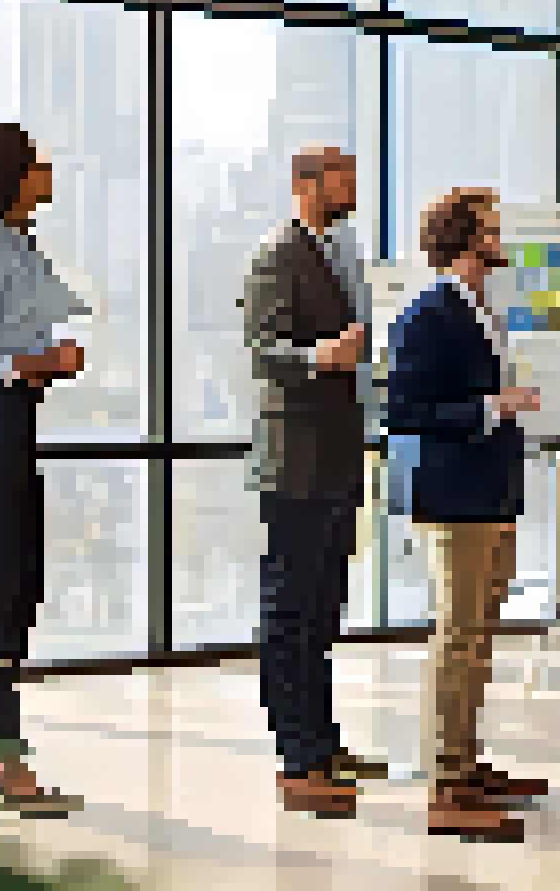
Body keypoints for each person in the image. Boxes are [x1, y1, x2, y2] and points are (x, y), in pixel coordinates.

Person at [385, 188, 551, 840]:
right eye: (491, 228)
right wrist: (492, 406)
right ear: (465, 238)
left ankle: (467, 764)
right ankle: (447, 786)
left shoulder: (485, 309)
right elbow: (404, 411)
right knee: (457, 639)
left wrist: (500, 407)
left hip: (491, 496)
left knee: (478, 638)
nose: (499, 236)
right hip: (454, 500)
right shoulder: (429, 313)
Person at [0, 122, 88, 817]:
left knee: (17, 586)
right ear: (12, 176)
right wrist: (38, 364)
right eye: (36, 161)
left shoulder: (17, 248)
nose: (47, 168)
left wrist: (41, 368)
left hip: (12, 421)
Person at [240, 147, 383, 817]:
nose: (353, 188)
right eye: (342, 178)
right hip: (294, 459)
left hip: (335, 456)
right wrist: (318, 356)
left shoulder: (339, 251)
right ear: (306, 185)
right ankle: (296, 758)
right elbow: (262, 349)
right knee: (290, 610)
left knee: (324, 608)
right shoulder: (278, 253)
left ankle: (322, 744)